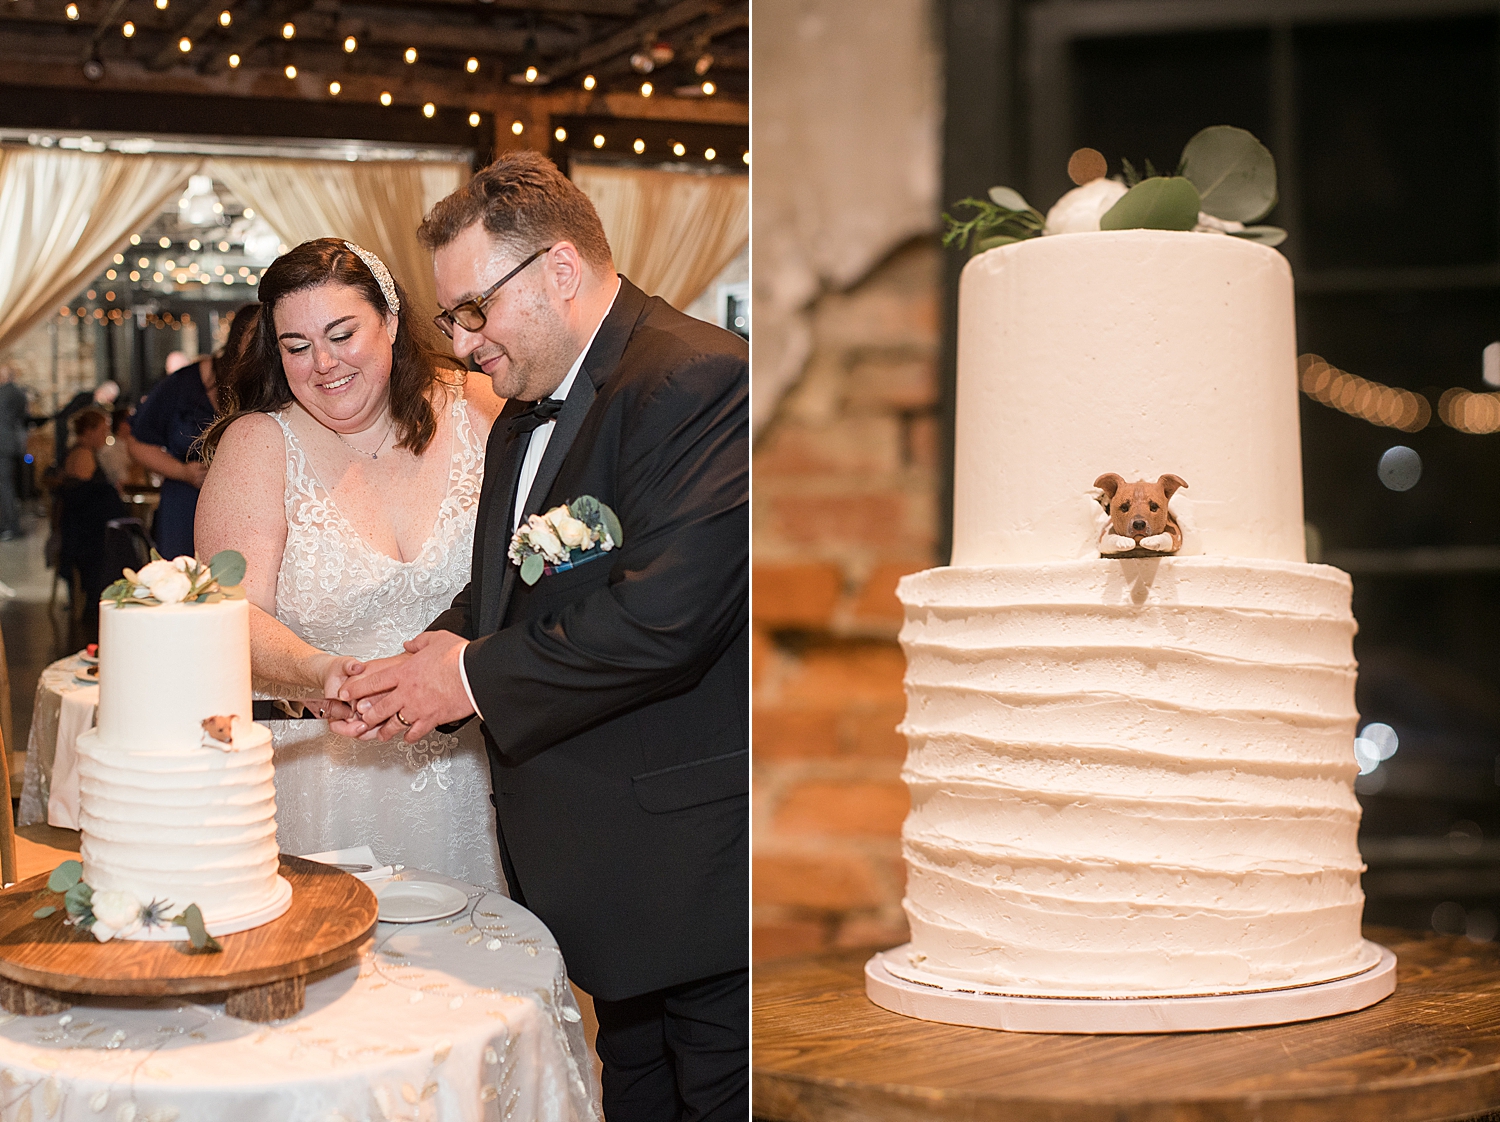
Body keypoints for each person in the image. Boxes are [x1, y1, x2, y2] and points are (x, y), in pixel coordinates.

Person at [336, 153, 749, 1121]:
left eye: (474, 310)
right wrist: (410, 674)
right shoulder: (523, 411)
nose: (464, 341)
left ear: (560, 270)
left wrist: (469, 681)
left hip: (695, 883)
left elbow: (665, 619)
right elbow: (508, 588)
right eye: (452, 319)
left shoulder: (700, 380)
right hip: (604, 886)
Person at [195, 239, 505, 888]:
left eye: (342, 334)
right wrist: (321, 673)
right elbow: (228, 614)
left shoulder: (482, 407)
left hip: (479, 764)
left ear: (390, 322)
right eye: (297, 346)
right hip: (323, 777)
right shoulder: (258, 445)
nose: (323, 364)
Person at [129, 310, 260, 559]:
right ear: (239, 339)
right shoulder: (182, 383)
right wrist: (183, 472)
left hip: (248, 508)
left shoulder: (271, 384)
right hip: (186, 504)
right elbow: (137, 444)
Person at [56, 407, 126, 641]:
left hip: (80, 529)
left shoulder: (79, 452)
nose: (105, 435)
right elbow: (83, 500)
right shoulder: (84, 455)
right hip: (84, 534)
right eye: (102, 430)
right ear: (89, 431)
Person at [0, 363, 30, 540]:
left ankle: (10, 526)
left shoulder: (4, 393)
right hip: (11, 444)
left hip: (2, 445)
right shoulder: (19, 393)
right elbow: (23, 418)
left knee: (4, 486)